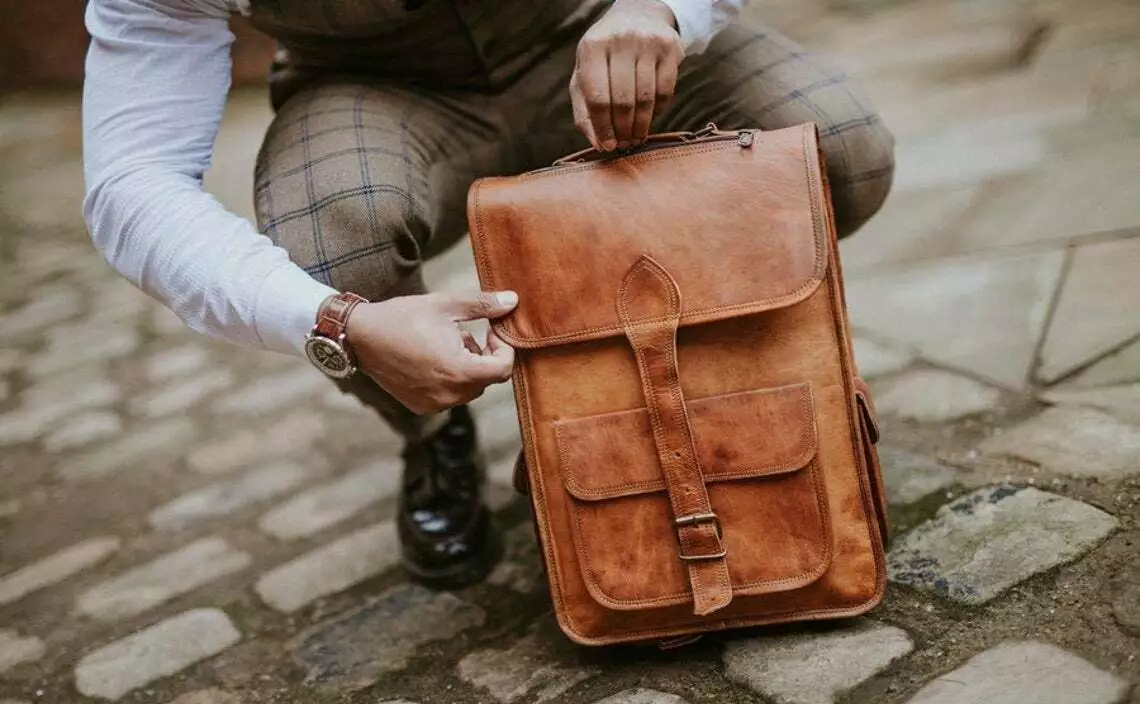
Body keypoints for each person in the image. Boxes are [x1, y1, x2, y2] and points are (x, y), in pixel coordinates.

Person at [83, 0, 894, 588]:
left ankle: (693, 380)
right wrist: (337, 321)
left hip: (590, 30)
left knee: (840, 152)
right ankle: (430, 429)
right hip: (380, 92)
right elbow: (130, 182)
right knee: (331, 244)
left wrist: (664, 8)